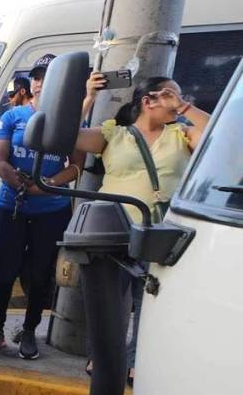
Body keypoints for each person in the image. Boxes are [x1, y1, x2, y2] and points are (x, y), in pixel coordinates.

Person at [76, 75, 209, 379]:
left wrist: (184, 107)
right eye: (169, 95)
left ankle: (137, 361)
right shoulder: (115, 134)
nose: (175, 101)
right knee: (109, 301)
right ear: (148, 101)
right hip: (113, 231)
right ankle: (102, 358)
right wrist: (89, 97)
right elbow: (65, 137)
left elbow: (221, 137)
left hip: (161, 234)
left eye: (178, 96)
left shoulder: (181, 134)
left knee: (150, 302)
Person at [0, 54, 84, 360]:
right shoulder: (12, 116)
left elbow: (76, 166)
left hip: (52, 211)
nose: (41, 83)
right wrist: (21, 184)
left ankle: (29, 331)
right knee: (5, 273)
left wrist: (46, 184)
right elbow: (0, 160)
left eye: (48, 77)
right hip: (11, 207)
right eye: (37, 77)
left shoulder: (73, 120)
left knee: (39, 276)